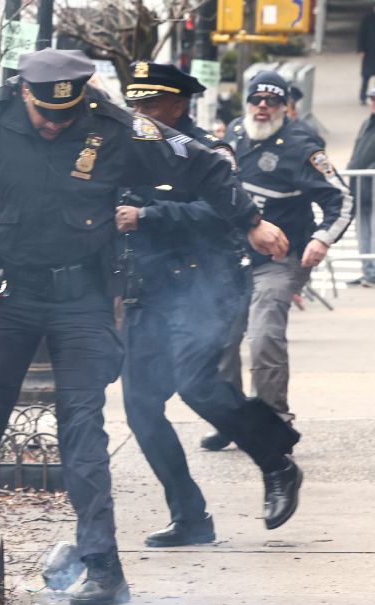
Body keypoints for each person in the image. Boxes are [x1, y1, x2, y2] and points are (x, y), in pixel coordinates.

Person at [0, 32, 286, 605]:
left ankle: (104, 569)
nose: (53, 126)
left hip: (82, 300)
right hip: (9, 295)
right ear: (25, 92)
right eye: (46, 113)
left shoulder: (115, 126)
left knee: (82, 432)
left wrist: (250, 221)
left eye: (65, 116)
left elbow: (203, 163)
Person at [115, 62, 303, 550]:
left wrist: (148, 215)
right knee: (139, 406)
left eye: (150, 104)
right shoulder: (129, 148)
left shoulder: (208, 151)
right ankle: (189, 515)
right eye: (135, 104)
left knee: (197, 386)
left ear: (178, 104)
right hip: (148, 290)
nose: (139, 112)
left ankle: (276, 462)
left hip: (207, 283)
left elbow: (221, 213)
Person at [202, 71, 354, 450]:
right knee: (219, 340)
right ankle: (232, 420)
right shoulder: (234, 133)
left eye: (272, 100)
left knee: (263, 335)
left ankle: (273, 425)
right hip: (233, 258)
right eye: (256, 99)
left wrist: (321, 239)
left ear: (285, 106)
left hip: (280, 259)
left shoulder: (302, 146)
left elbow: (341, 198)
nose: (262, 106)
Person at [346, 86, 375, 287]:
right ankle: (368, 271)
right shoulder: (367, 123)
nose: (373, 103)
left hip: (371, 185)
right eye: (372, 99)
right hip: (360, 186)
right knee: (362, 231)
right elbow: (358, 152)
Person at [360, 7, 375, 104]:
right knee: (366, 76)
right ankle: (363, 97)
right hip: (369, 52)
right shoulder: (367, 19)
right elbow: (361, 35)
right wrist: (361, 50)